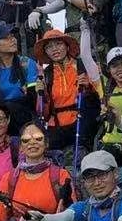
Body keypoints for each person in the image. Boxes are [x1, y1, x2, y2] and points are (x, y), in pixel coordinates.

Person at [34, 28, 99, 156]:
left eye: (58, 44)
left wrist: (88, 87)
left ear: (67, 46)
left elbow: (100, 96)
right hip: (57, 125)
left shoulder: (83, 66)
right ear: (46, 52)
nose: (54, 49)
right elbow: (43, 112)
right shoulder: (46, 75)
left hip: (81, 120)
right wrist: (40, 94)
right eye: (49, 47)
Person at [0, 23, 38, 133]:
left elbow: (32, 99)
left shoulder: (27, 64)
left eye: (12, 36)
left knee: (8, 108)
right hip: (0, 114)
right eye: (6, 38)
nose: (13, 40)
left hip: (24, 113)